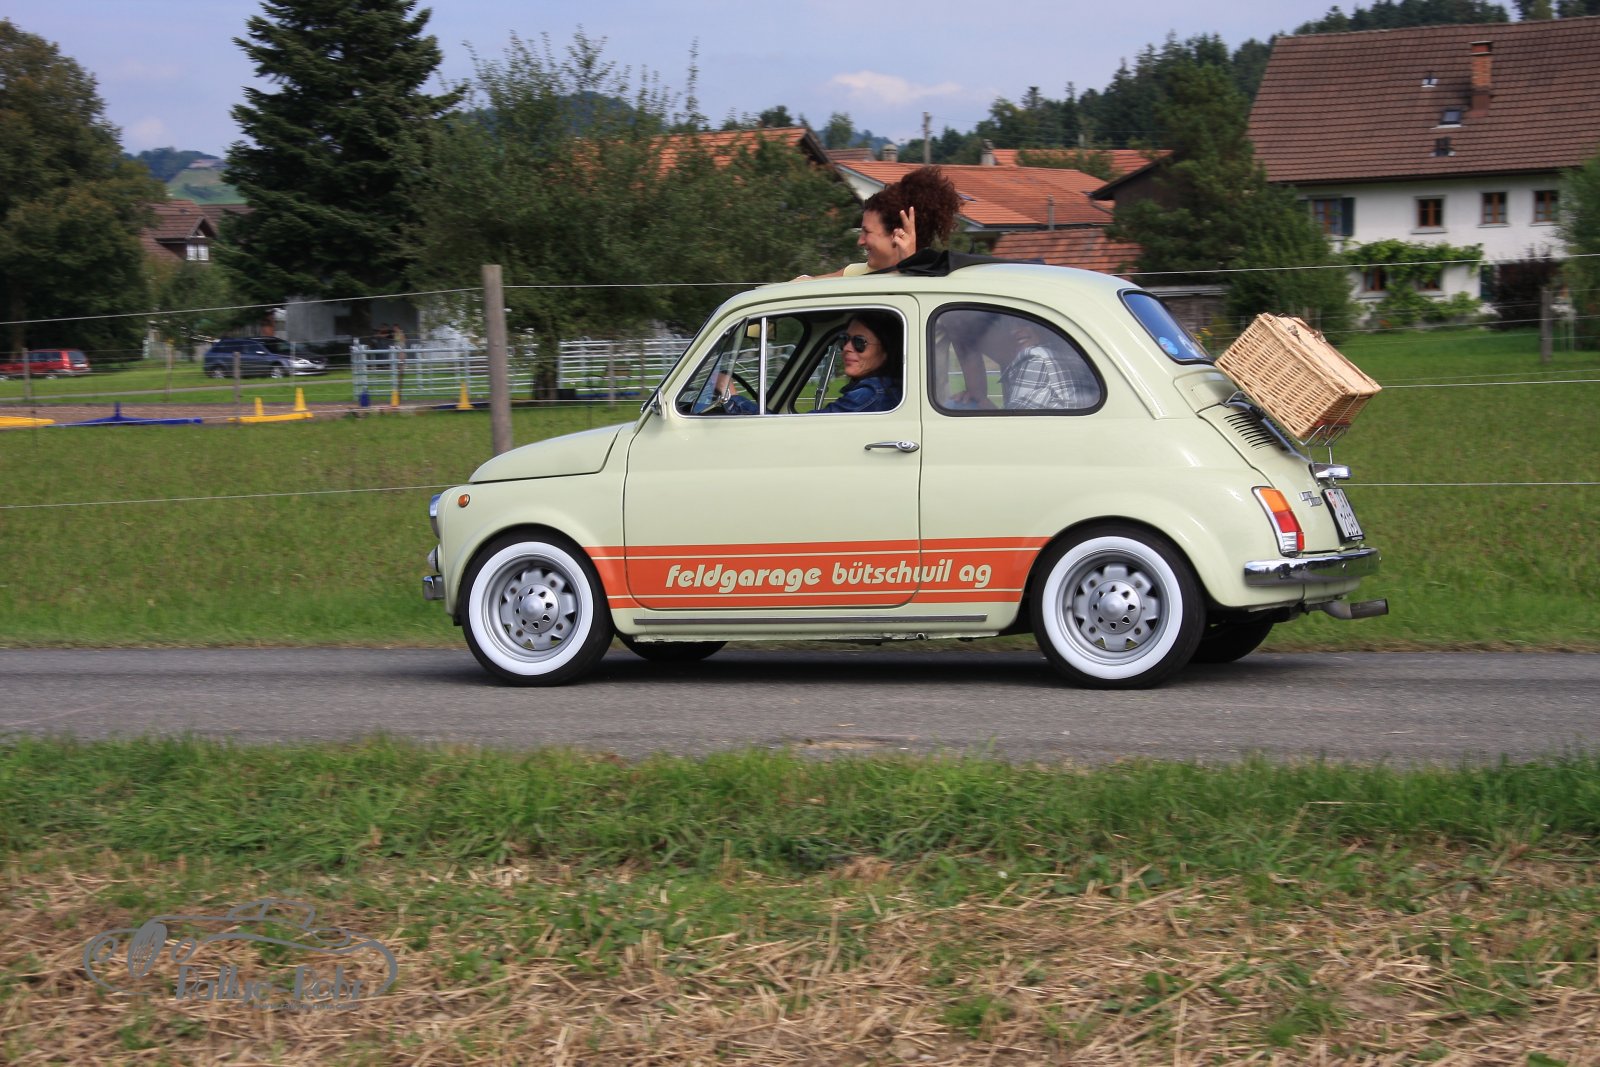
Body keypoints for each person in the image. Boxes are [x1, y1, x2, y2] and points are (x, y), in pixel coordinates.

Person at [716, 311, 902, 415]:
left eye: (859, 342)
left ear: (886, 350)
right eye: (844, 339)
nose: (846, 348)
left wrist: (731, 398)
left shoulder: (871, 395)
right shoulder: (884, 391)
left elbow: (798, 431)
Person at [802, 166, 961, 278]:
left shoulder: (933, 281)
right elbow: (808, 285)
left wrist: (908, 265)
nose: (860, 241)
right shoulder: (861, 273)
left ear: (898, 235)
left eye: (867, 232)